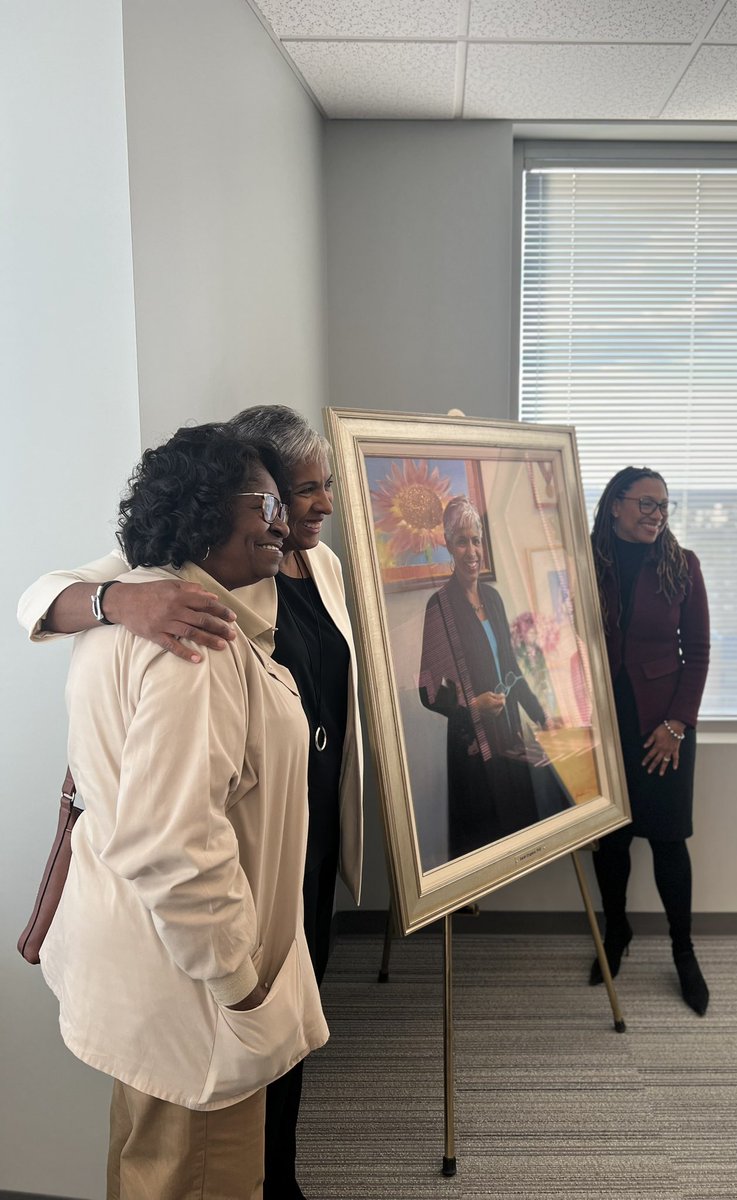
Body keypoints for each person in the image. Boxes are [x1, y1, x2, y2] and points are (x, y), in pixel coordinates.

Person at [18, 406, 364, 1200]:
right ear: (211, 510)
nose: (296, 514)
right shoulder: (184, 630)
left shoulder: (201, 592)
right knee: (199, 1170)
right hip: (198, 974)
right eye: (277, 499)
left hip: (203, 915)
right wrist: (241, 984)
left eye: (309, 494)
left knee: (149, 1164)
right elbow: (172, 845)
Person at [588, 466, 710, 1015]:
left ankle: (683, 952)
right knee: (610, 842)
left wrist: (677, 724)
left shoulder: (683, 566)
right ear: (615, 505)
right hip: (602, 727)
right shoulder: (586, 560)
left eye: (663, 505)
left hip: (664, 731)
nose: (656, 513)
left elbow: (699, 653)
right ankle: (617, 934)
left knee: (667, 842)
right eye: (645, 503)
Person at [418, 495, 571, 861]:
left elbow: (513, 671)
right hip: (471, 744)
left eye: (476, 540)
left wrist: (543, 717)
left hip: (508, 733)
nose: (471, 550)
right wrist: (472, 706)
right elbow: (427, 691)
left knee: (515, 837)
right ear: (448, 546)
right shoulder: (439, 607)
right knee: (481, 844)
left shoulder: (494, 598)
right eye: (461, 541)